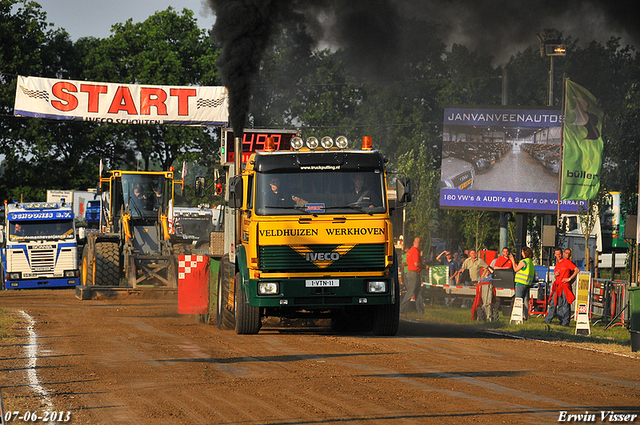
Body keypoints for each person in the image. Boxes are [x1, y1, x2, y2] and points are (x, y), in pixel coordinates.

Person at [545, 248, 579, 326]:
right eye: (557, 254)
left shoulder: (567, 262)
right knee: (559, 304)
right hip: (558, 286)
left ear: (562, 254)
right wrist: (556, 275)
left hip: (565, 286)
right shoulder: (558, 264)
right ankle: (561, 321)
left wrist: (569, 279)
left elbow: (576, 270)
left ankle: (565, 322)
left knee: (565, 304)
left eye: (559, 254)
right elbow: (557, 274)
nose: (558, 256)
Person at [400, 237, 425, 314]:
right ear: (419, 243)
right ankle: (401, 309)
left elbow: (407, 263)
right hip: (414, 273)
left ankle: (420, 311)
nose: (420, 244)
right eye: (420, 243)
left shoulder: (410, 251)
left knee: (418, 292)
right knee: (410, 293)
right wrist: (424, 266)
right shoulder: (416, 251)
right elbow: (416, 263)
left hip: (410, 272)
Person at [510, 246, 535, 320]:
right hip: (527, 283)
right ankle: (525, 316)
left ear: (525, 253)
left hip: (520, 283)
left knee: (518, 299)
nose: (521, 253)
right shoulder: (530, 262)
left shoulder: (524, 261)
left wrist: (513, 261)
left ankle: (517, 315)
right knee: (526, 300)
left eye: (522, 252)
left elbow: (515, 269)